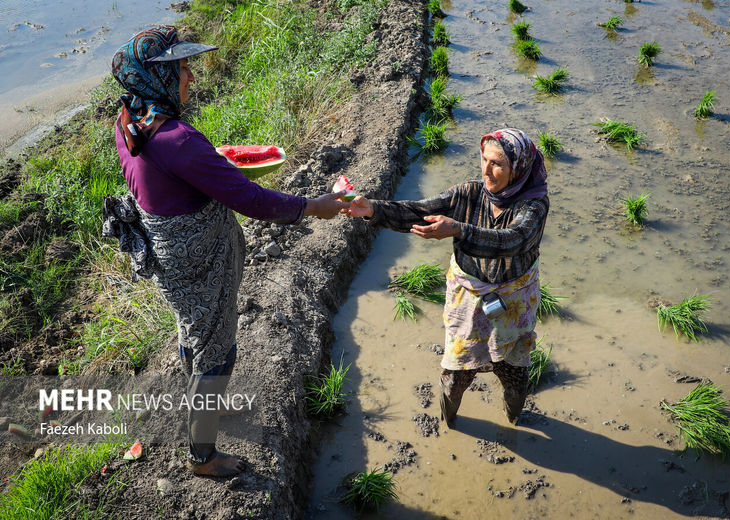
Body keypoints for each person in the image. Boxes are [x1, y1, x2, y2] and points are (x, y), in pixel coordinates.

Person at [102, 26, 349, 477]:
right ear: (155, 76)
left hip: (168, 255)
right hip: (197, 260)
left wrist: (203, 168)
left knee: (193, 330)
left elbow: (167, 178)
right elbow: (253, 201)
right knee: (218, 353)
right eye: (182, 68)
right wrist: (316, 207)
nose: (191, 76)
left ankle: (203, 402)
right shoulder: (177, 140)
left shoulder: (130, 120)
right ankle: (203, 456)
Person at [345, 128, 549, 427]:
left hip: (513, 301)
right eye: (484, 159)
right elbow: (419, 211)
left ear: (518, 169)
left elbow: (512, 240)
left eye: (498, 164)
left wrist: (458, 230)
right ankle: (449, 420)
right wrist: (373, 209)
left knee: (514, 372)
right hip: (469, 298)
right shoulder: (468, 194)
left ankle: (514, 417)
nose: (487, 171)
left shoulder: (533, 205)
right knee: (455, 374)